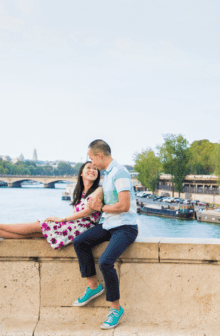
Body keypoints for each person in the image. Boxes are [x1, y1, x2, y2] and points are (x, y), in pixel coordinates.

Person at [73, 140, 139, 330]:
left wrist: (100, 207)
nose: (91, 162)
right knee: (80, 242)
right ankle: (93, 286)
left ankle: (115, 309)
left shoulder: (119, 173)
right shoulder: (108, 174)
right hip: (109, 224)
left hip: (125, 227)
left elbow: (124, 206)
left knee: (105, 262)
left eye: (91, 158)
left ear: (100, 156)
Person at [0, 162, 102, 245]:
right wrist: (62, 221)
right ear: (81, 173)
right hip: (75, 227)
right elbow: (76, 214)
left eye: (95, 168)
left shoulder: (98, 190)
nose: (92, 170)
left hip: (84, 229)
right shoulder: (79, 192)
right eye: (89, 168)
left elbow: (86, 212)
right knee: (32, 233)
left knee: (37, 226)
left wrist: (61, 219)